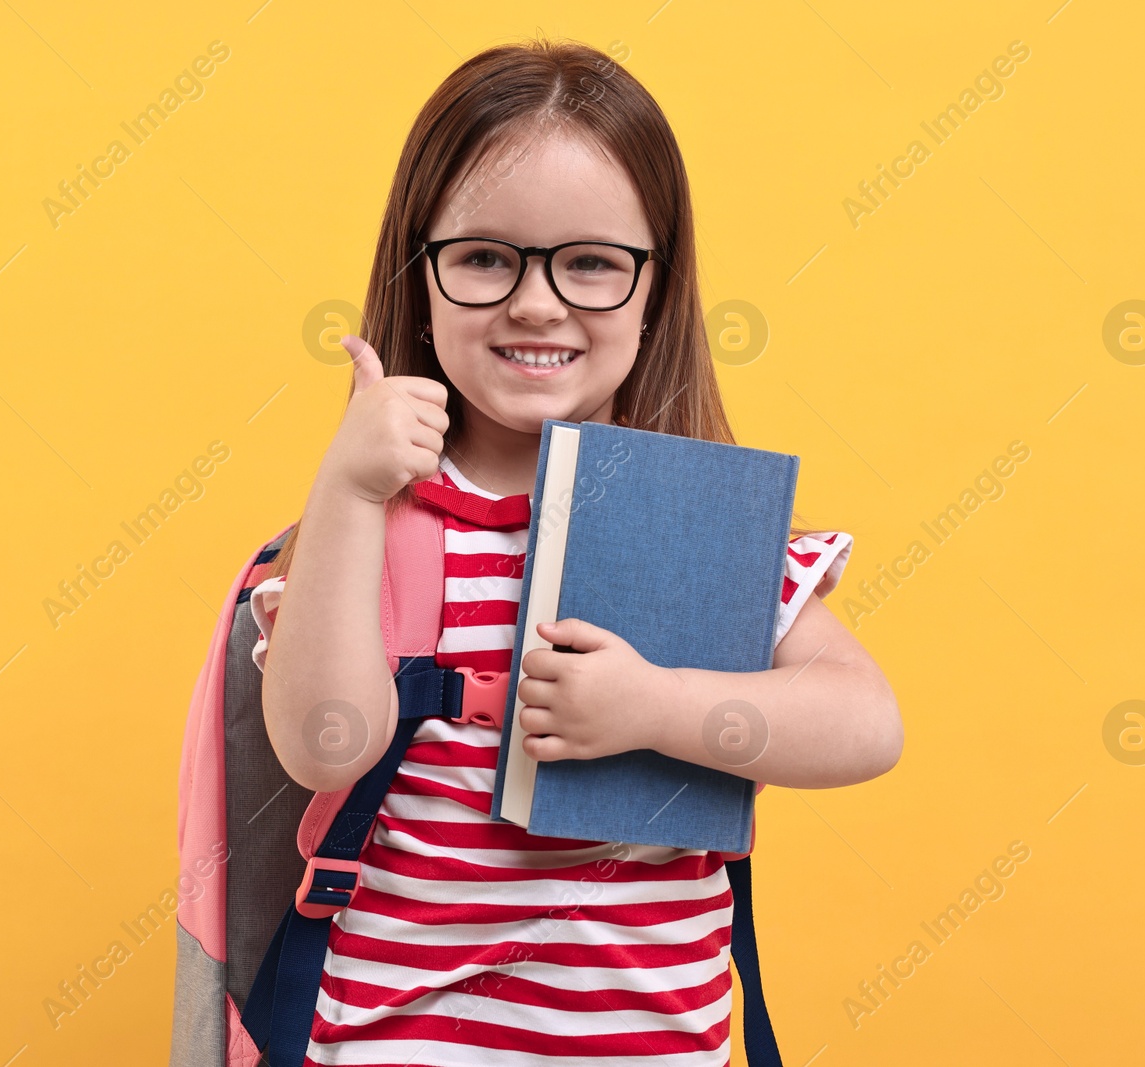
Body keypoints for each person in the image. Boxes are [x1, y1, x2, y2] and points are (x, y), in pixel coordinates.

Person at [250, 35, 902, 1066]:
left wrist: (659, 706)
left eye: (591, 262)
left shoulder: (696, 527)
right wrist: (344, 486)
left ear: (655, 288)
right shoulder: (373, 524)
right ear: (419, 275)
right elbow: (323, 748)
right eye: (483, 257)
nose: (536, 301)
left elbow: (866, 724)